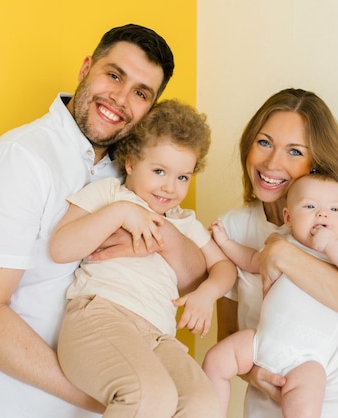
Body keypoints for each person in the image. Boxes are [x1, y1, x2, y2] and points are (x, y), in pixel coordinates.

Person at [0, 24, 207, 418]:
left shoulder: (135, 174)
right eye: (114, 75)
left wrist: (160, 233)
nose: (120, 98)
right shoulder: (21, 160)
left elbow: (189, 280)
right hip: (18, 406)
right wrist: (121, 397)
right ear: (86, 68)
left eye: (140, 93)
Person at [211, 88, 338, 417]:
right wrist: (254, 374)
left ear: (315, 164)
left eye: (295, 151)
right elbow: (228, 335)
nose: (272, 163)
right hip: (270, 407)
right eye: (264, 142)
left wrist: (286, 257)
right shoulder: (232, 229)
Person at [50, 99, 233, 417]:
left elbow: (224, 267)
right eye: (159, 171)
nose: (170, 187)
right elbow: (60, 247)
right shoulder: (111, 194)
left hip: (159, 335)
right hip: (100, 317)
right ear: (131, 162)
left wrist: (206, 294)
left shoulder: (183, 221)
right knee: (150, 395)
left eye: (183, 177)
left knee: (204, 404)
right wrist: (121, 212)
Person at [203, 173, 338, 418]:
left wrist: (331, 246)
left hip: (305, 359)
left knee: (303, 409)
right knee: (215, 362)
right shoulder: (283, 241)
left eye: (334, 209)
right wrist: (225, 242)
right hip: (260, 341)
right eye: (310, 206)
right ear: (288, 218)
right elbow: (253, 261)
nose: (323, 214)